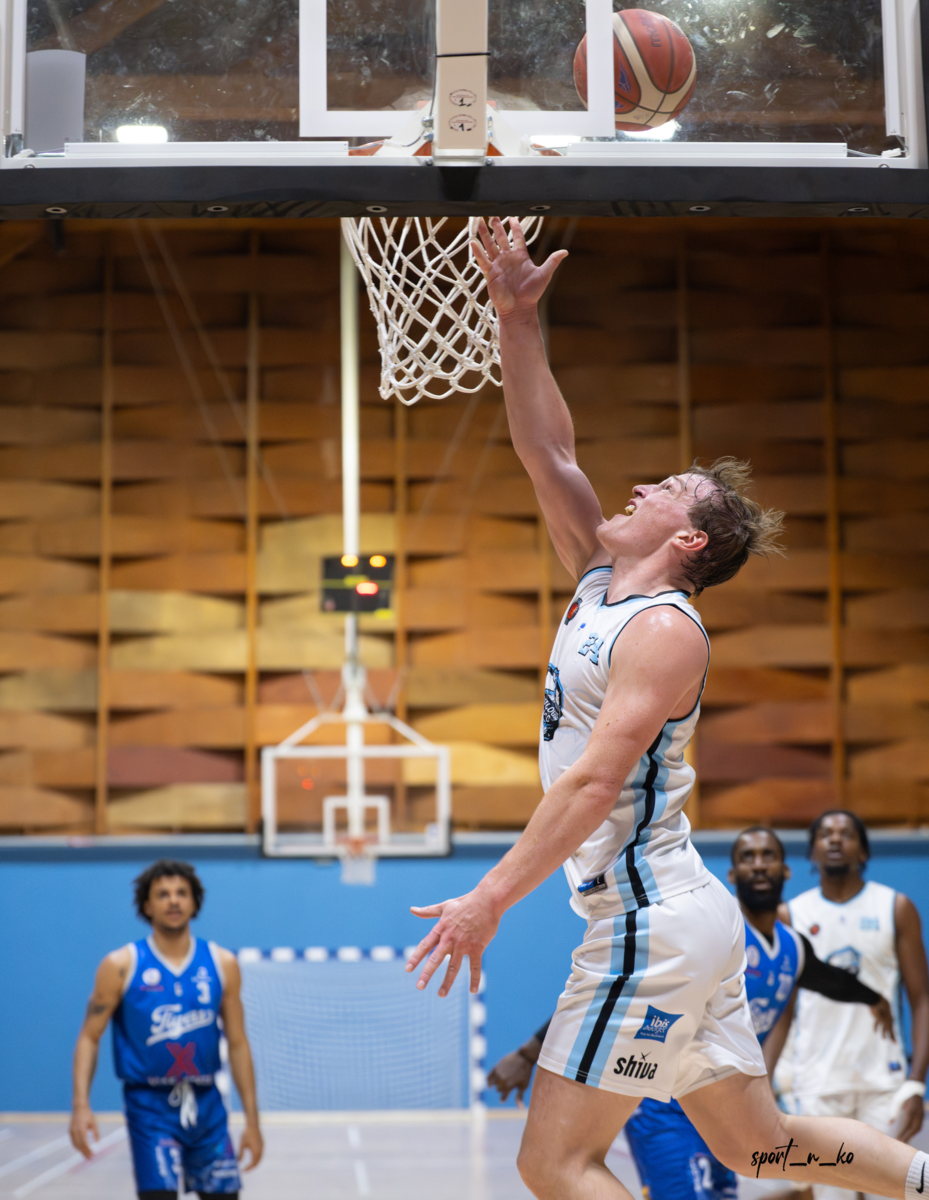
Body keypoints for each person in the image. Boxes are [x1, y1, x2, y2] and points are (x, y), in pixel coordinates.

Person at [403, 216, 928, 1200]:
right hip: (681, 915)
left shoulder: (664, 631)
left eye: (666, 489)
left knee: (554, 1162)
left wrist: (488, 900)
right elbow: (547, 449)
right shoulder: (599, 581)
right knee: (760, 1149)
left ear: (688, 542)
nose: (639, 484)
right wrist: (516, 318)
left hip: (649, 919)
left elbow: (596, 782)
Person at [488, 827, 893, 1200]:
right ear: (731, 874)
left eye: (767, 855)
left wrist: (876, 999)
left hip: (724, 1103)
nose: (758, 865)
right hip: (663, 1101)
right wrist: (528, 1053)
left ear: (786, 869)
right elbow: (615, 998)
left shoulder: (792, 947)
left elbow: (833, 980)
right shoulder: (708, 935)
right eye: (747, 857)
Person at [70, 859, 263, 1199]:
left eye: (181, 893)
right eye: (162, 894)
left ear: (194, 902)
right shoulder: (120, 965)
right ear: (146, 905)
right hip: (150, 1106)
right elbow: (89, 1036)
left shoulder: (221, 963)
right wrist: (81, 1105)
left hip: (206, 1103)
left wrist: (252, 1120)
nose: (173, 901)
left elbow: (237, 1043)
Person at [779, 810, 929, 1200]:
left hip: (883, 1083)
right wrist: (770, 1079)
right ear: (812, 851)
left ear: (862, 850)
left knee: (895, 1192)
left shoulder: (895, 907)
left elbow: (922, 999)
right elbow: (783, 1010)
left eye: (846, 833)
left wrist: (916, 1082)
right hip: (817, 1083)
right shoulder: (791, 915)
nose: (834, 839)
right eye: (825, 834)